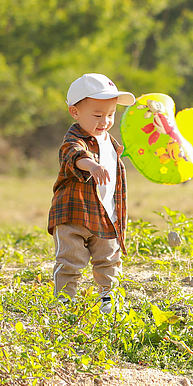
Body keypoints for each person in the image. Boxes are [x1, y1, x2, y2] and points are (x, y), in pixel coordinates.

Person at [47, 73, 136, 311]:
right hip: (73, 214)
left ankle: (109, 297)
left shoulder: (110, 142)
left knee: (109, 258)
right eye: (97, 115)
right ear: (75, 112)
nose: (105, 121)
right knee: (70, 258)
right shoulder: (75, 138)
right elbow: (74, 154)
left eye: (110, 114)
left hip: (105, 214)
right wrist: (93, 166)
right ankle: (65, 301)